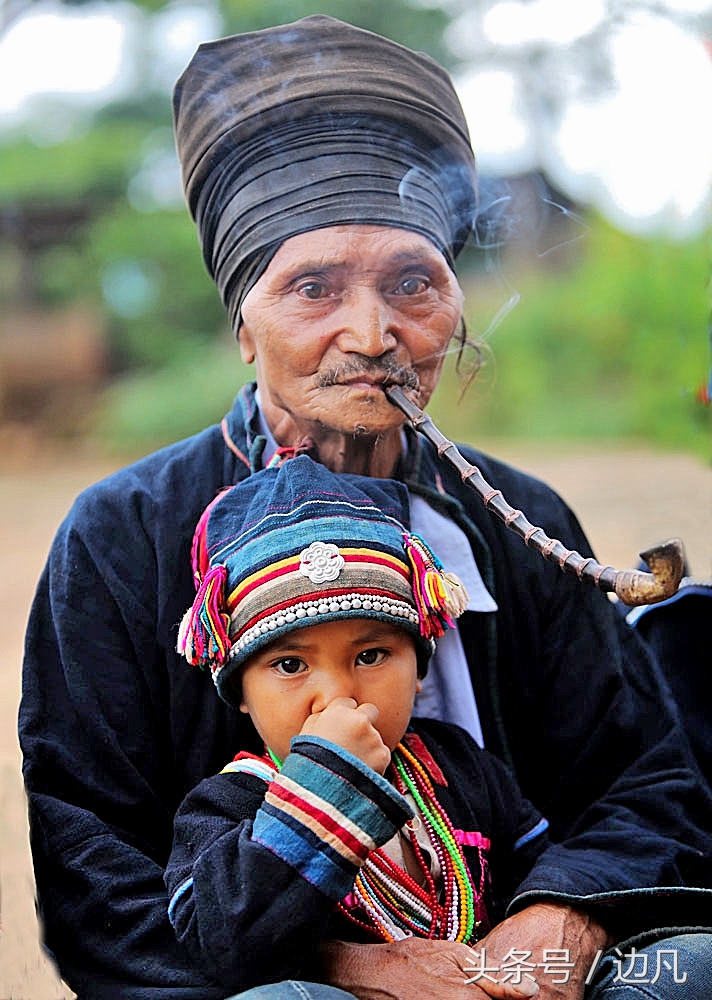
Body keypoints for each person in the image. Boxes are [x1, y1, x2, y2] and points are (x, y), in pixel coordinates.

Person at [19, 15, 712, 1000]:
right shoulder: (121, 539)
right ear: (243, 329)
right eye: (312, 287)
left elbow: (646, 784)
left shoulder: (522, 523)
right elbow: (96, 873)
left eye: (410, 284)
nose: (374, 331)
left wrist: (556, 919)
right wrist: (359, 966)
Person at [164, 455, 550, 997]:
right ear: (241, 695)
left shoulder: (459, 767)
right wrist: (328, 783)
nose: (338, 695)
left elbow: (539, 875)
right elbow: (224, 944)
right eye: (291, 665)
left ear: (421, 668)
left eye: (371, 655)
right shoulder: (225, 809)